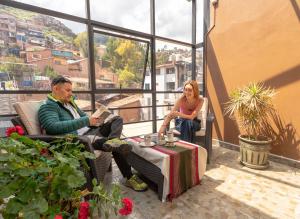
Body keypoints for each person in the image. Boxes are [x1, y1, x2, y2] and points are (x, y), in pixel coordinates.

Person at [38, 75, 147, 192]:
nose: (71, 93)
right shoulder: (48, 106)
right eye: (68, 90)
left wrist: (95, 119)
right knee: (116, 146)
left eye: (71, 90)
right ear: (55, 89)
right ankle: (129, 176)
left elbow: (84, 117)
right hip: (78, 139)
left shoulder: (69, 103)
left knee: (116, 119)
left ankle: (113, 141)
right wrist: (86, 121)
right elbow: (52, 127)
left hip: (89, 130)